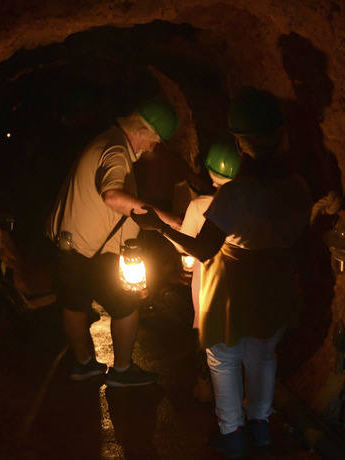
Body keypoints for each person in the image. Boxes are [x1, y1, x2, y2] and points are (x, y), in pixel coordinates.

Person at [131, 88, 312, 458]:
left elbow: (203, 248)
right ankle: (260, 428)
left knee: (224, 357)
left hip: (233, 289)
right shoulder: (298, 187)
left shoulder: (237, 194)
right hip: (276, 283)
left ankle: (232, 435)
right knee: (263, 354)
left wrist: (159, 227)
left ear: (242, 143)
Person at [46, 98, 180, 386]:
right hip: (92, 252)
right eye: (154, 141)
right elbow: (112, 196)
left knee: (74, 305)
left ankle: (84, 364)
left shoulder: (105, 140)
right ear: (143, 131)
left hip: (70, 247)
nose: (152, 148)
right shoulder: (118, 150)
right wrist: (168, 221)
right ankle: (122, 370)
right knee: (127, 305)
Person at [177, 142, 241, 402]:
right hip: (242, 285)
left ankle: (206, 388)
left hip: (207, 287)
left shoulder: (198, 206)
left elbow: (185, 247)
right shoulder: (250, 206)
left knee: (206, 335)